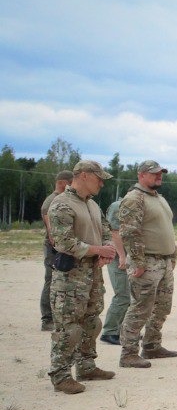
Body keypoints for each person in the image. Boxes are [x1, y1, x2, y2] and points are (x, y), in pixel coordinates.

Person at [46, 161, 116, 393]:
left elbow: (105, 231)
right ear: (83, 176)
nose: (102, 183)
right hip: (71, 276)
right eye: (99, 178)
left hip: (92, 273)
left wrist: (106, 249)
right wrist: (99, 251)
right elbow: (63, 241)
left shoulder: (93, 205)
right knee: (69, 327)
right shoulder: (62, 204)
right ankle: (61, 374)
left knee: (91, 321)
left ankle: (86, 365)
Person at [118, 160, 177, 369]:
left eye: (161, 173)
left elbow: (167, 228)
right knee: (140, 308)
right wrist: (138, 261)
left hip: (163, 261)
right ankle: (128, 353)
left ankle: (152, 345)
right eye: (154, 174)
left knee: (162, 306)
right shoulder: (134, 199)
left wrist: (172, 255)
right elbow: (129, 232)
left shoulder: (158, 198)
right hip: (146, 262)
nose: (159, 176)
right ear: (141, 175)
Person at [39, 170, 73, 331]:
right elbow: (52, 231)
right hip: (54, 249)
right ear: (62, 183)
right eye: (71, 183)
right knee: (51, 281)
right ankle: (47, 319)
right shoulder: (52, 201)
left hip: (57, 248)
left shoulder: (59, 200)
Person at [99, 193, 129, 345]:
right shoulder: (119, 206)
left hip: (128, 259)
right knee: (123, 295)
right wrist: (122, 256)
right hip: (119, 259)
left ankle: (121, 330)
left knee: (130, 297)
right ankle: (110, 331)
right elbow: (114, 232)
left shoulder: (133, 207)